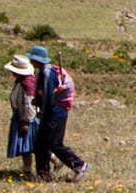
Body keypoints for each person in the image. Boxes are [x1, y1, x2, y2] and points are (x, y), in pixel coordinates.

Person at [27, 45, 89, 183]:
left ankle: (79, 165)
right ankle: (44, 174)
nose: (30, 61)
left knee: (55, 143)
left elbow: (48, 96)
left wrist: (42, 111)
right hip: (53, 110)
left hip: (55, 111)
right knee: (41, 144)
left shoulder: (47, 73)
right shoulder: (45, 71)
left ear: (36, 60)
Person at [4, 54, 39, 175]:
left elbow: (30, 105)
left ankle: (28, 169)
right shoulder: (21, 82)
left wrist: (26, 122)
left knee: (27, 146)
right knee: (31, 144)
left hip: (26, 118)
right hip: (21, 116)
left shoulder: (26, 85)